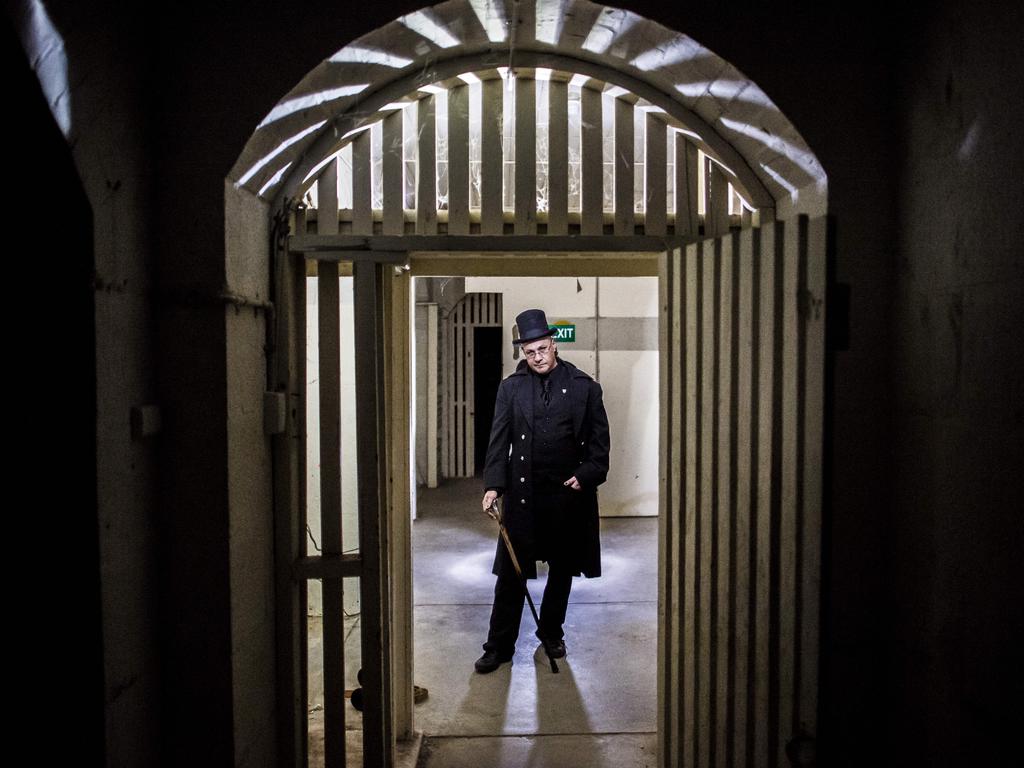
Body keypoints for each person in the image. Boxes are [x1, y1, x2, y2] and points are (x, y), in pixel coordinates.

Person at [474, 308, 611, 673]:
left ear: (554, 345)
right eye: (529, 352)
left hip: (567, 496)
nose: (537, 358)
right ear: (523, 352)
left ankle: (551, 632)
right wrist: (493, 485)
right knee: (511, 574)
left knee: (562, 570)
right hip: (523, 497)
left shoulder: (584, 387)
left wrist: (586, 475)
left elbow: (600, 446)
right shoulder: (511, 388)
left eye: (542, 349)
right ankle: (498, 646)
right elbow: (498, 441)